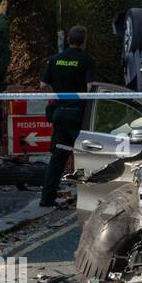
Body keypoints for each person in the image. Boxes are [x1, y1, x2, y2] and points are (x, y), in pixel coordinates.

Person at [38, 25, 96, 208]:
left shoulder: (55, 60)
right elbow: (90, 87)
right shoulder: (86, 60)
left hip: (60, 114)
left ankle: (46, 199)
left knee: (58, 157)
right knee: (88, 155)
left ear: (69, 40)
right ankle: (90, 200)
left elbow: (42, 85)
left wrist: (55, 97)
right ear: (84, 41)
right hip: (78, 115)